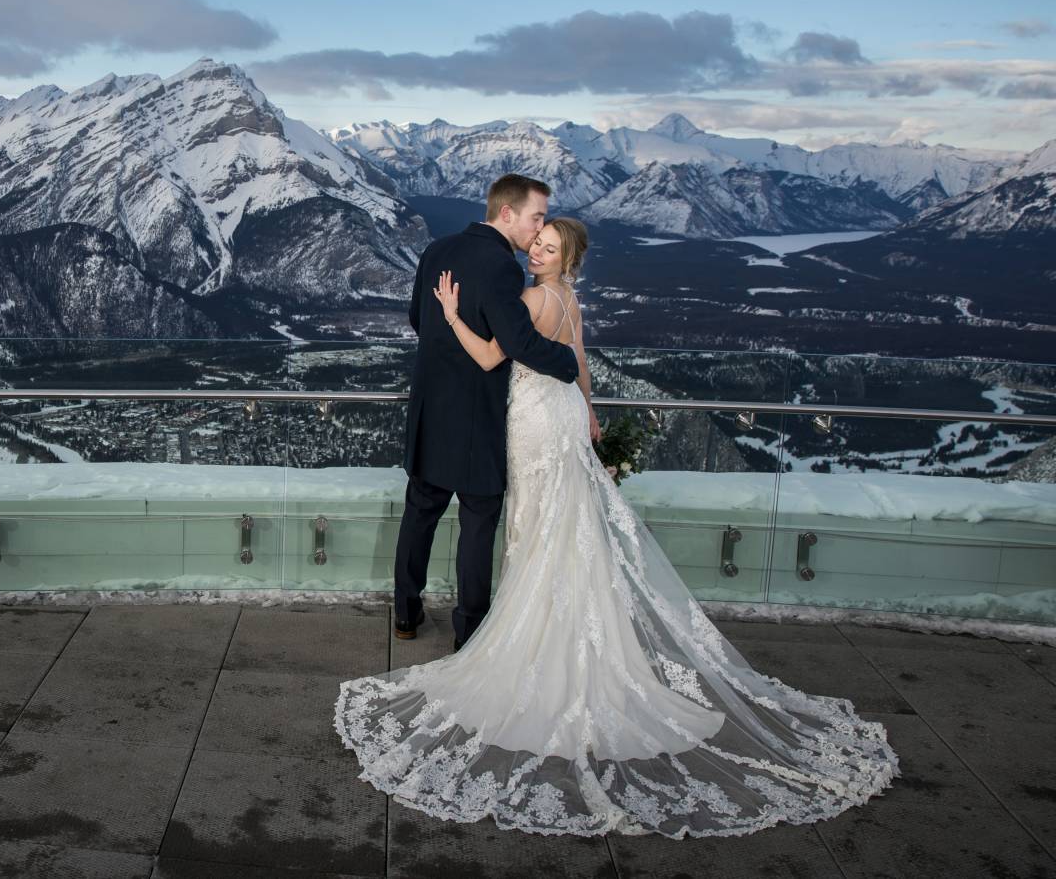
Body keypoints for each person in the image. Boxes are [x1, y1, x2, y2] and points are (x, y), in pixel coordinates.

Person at [336, 217, 900, 838]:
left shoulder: (529, 297)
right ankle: (569, 625)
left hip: (533, 424)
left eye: (548, 249)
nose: (535, 252)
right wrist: (591, 413)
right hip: (563, 418)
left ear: (566, 259)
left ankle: (534, 634)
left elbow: (496, 354)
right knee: (565, 524)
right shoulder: (570, 297)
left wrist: (450, 315)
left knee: (535, 528)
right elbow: (577, 357)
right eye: (537, 243)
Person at [393, 175, 579, 652]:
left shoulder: (436, 250)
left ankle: (406, 613)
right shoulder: (501, 267)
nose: (538, 230)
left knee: (421, 512)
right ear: (507, 214)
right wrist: (568, 362)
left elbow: (418, 318)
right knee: (478, 523)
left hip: (431, 407)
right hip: (477, 417)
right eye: (537, 217)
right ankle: (468, 632)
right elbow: (517, 343)